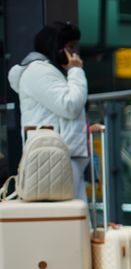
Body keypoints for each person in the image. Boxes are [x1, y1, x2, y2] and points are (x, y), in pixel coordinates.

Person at [8, 21, 88, 203]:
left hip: (62, 154)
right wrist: (76, 71)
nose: (74, 53)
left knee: (75, 217)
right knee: (68, 218)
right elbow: (70, 105)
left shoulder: (49, 71)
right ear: (56, 46)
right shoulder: (39, 71)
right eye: (69, 47)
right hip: (54, 156)